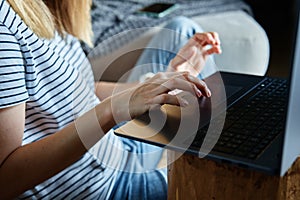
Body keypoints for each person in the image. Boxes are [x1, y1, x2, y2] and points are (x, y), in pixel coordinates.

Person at [0, 0, 221, 199]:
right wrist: (110, 111)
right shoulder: (4, 28)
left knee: (182, 29)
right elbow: (5, 180)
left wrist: (160, 86)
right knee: (215, 185)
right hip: (105, 187)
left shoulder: (44, 7)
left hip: (114, 146)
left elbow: (79, 89)